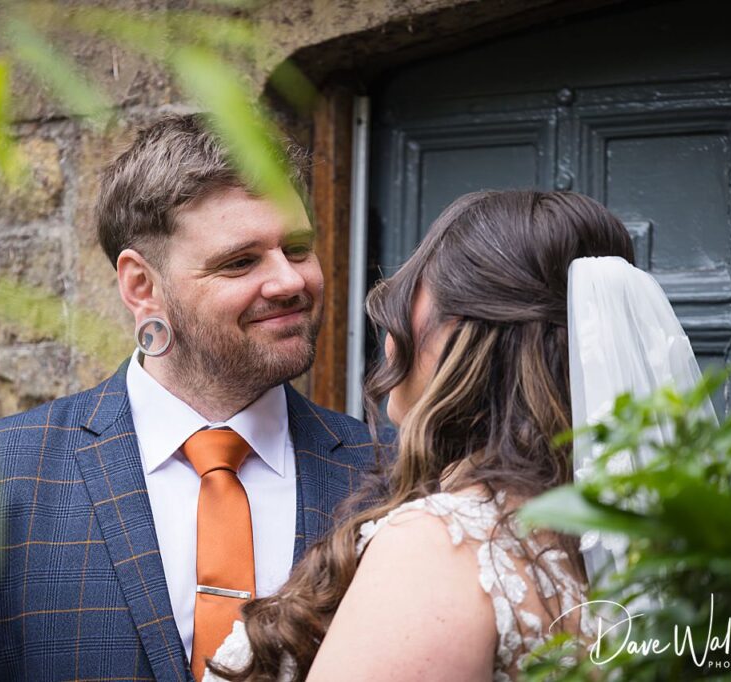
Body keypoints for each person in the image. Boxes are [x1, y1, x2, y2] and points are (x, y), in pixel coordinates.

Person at [0, 114, 380, 682]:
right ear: (142, 286)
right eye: (240, 261)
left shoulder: (392, 473)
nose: (289, 281)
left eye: (299, 248)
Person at [205, 189, 686, 681]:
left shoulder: (443, 545)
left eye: (404, 295)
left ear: (461, 332)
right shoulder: (614, 540)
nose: (387, 330)